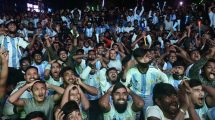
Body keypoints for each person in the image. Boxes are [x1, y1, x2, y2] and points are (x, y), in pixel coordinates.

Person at [124, 48, 169, 113]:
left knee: (148, 113)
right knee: (135, 114)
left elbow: (164, 77)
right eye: (142, 57)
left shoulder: (154, 70)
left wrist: (164, 90)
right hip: (134, 95)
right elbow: (125, 83)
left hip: (149, 96)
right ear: (136, 60)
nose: (145, 59)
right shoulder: (132, 71)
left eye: (146, 56)